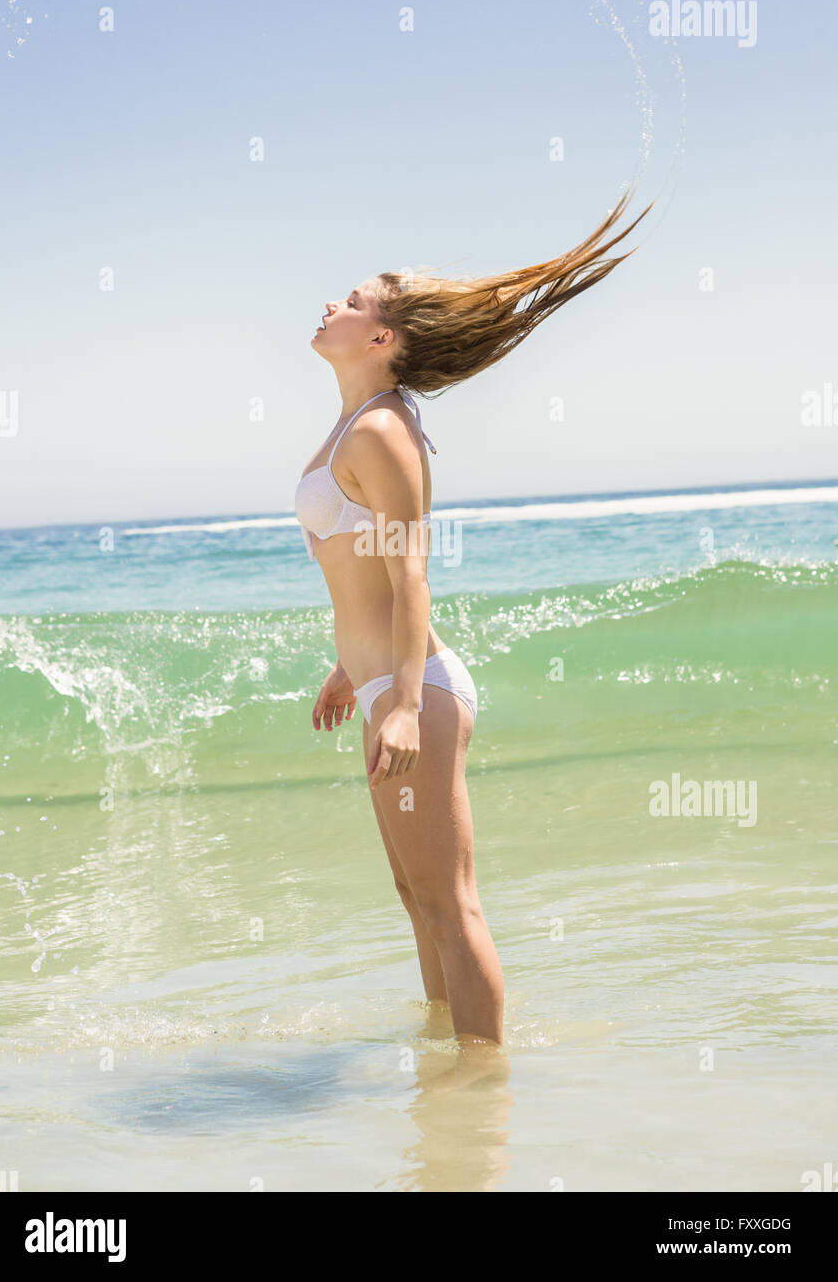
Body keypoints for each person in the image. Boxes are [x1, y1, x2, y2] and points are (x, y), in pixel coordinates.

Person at [295, 190, 651, 1047]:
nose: (331, 306)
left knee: (451, 906)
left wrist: (409, 701)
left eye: (352, 302)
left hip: (422, 696)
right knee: (418, 901)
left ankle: (481, 1090)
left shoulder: (379, 430)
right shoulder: (359, 423)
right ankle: (447, 1073)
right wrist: (357, 667)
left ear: (382, 338)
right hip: (387, 683)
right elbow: (368, 570)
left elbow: (412, 570)